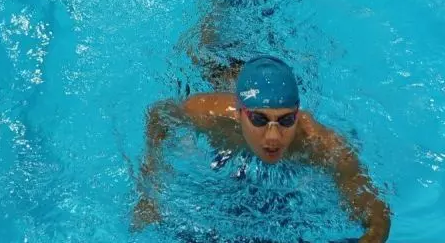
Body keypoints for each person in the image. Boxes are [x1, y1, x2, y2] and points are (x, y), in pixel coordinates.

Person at [132, 54, 391, 243]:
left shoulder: (320, 143)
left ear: (297, 113)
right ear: (240, 113)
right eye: (259, 119)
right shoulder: (210, 114)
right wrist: (150, 186)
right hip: (220, 61)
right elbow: (159, 115)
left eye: (286, 120)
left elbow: (376, 214)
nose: (273, 136)